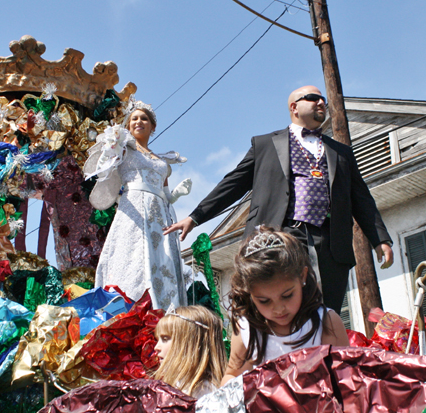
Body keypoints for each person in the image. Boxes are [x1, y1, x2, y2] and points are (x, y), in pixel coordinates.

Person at [165, 85, 393, 312]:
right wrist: (195, 217)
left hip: (331, 241)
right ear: (294, 107)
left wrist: (380, 239)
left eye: (323, 98)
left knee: (326, 313)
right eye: (314, 98)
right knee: (283, 311)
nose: (322, 102)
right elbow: (232, 184)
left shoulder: (341, 152)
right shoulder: (266, 145)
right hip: (281, 234)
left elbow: (361, 198)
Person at [84, 100, 191, 310]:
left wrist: (177, 193)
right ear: (128, 126)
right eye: (134, 118)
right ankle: (129, 306)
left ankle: (163, 311)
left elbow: (167, 195)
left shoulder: (161, 161)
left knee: (162, 261)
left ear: (152, 126)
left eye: (144, 118)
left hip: (160, 215)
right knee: (133, 257)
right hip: (134, 210)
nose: (138, 122)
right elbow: (104, 172)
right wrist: (110, 147)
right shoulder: (124, 150)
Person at [220, 227, 349, 385]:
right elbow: (232, 375)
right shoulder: (247, 330)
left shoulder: (326, 323)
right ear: (249, 293)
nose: (279, 308)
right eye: (264, 301)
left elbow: (344, 380)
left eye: (287, 295)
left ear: (302, 276)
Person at [153, 305, 227, 398]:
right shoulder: (179, 383)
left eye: (165, 339)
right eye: (157, 339)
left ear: (190, 343)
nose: (156, 347)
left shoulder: (204, 391)